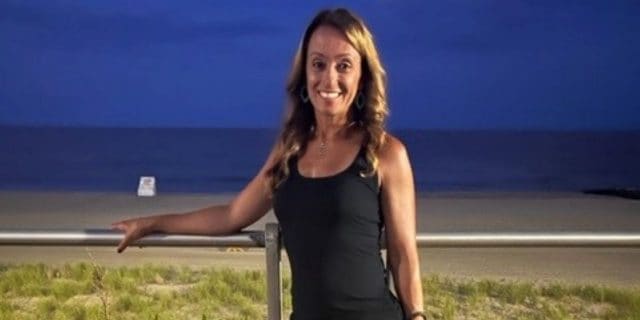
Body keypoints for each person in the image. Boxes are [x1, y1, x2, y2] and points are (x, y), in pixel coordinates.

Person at [112, 8, 425, 320]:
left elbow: (402, 254)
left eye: (344, 65)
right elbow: (231, 215)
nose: (329, 78)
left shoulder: (385, 153)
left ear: (362, 76)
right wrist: (152, 224)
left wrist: (418, 317)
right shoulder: (290, 150)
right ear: (304, 73)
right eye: (318, 64)